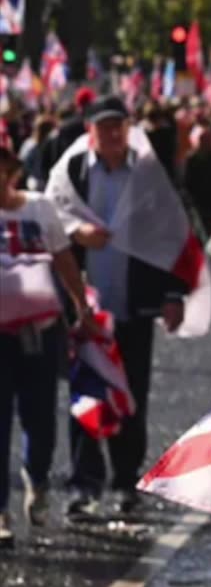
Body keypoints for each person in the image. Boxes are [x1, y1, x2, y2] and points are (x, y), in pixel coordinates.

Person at [48, 96, 190, 518]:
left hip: (134, 304)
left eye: (118, 126)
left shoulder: (148, 173)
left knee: (132, 396)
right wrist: (78, 233)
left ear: (128, 129)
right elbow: (51, 221)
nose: (111, 134)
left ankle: (126, 481)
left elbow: (170, 233)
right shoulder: (72, 172)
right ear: (90, 131)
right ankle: (84, 484)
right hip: (86, 308)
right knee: (86, 396)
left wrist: (171, 294)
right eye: (103, 127)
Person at [0, 146, 97, 544]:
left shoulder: (39, 208)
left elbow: (64, 260)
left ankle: (36, 476)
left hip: (39, 331)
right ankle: (1, 511)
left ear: (12, 171)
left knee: (40, 419)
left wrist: (80, 304)